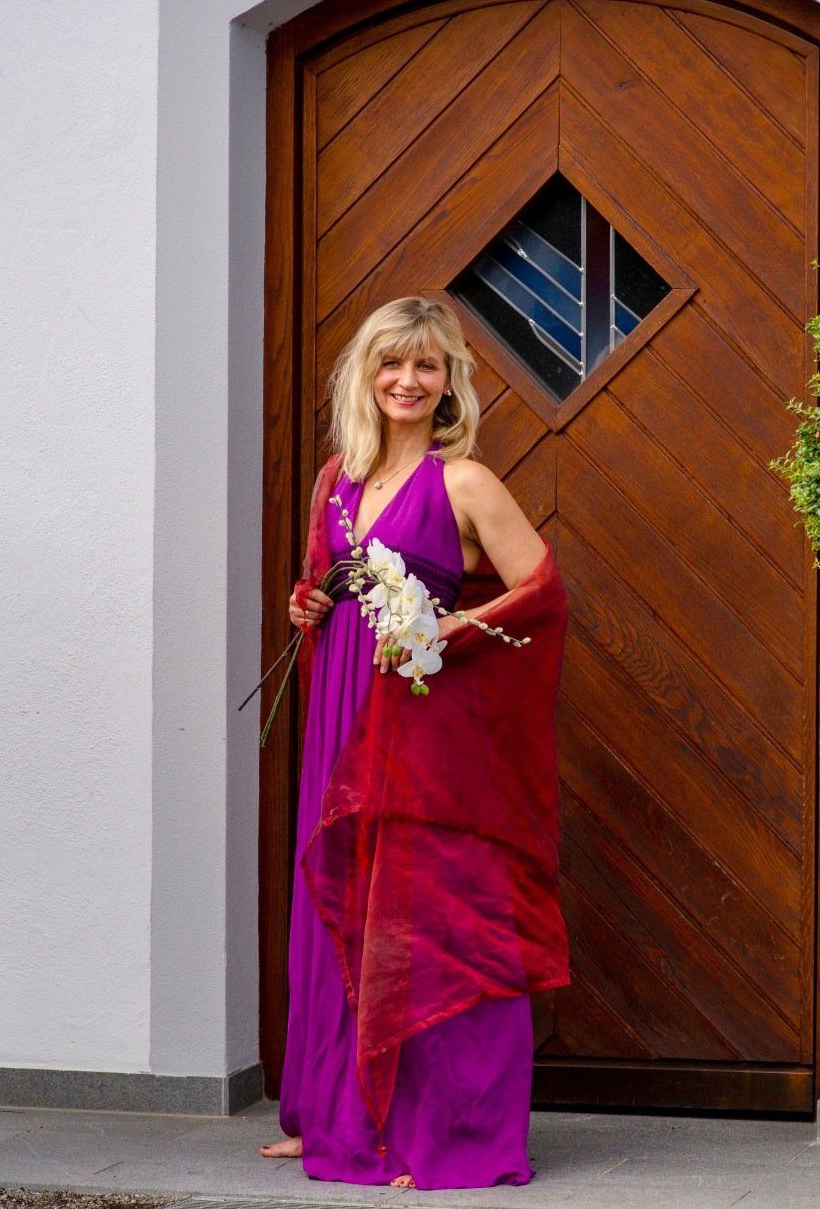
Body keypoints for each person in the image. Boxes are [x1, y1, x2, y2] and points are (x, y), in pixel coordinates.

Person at [259, 296, 568, 1189]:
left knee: (430, 911)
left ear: (448, 383)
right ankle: (334, 1113)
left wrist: (447, 633)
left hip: (428, 724)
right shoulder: (333, 481)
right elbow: (329, 587)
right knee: (344, 904)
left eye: (426, 365)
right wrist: (307, 605)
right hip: (344, 717)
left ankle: (432, 1124)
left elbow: (541, 593)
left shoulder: (464, 480)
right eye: (392, 362)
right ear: (367, 373)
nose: (407, 380)